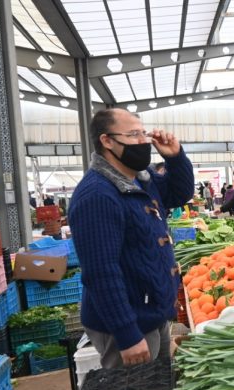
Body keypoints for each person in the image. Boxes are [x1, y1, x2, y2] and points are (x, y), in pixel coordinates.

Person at [68, 108, 194, 368]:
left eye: (143, 132)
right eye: (134, 134)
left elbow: (179, 193)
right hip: (128, 325)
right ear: (107, 141)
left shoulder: (141, 180)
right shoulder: (97, 195)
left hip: (152, 313)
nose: (144, 141)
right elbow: (101, 273)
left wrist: (175, 158)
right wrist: (127, 335)